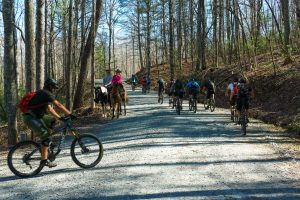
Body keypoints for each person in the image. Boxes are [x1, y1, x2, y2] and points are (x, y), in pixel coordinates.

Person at [22, 78, 76, 168]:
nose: (54, 89)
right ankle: (44, 161)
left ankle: (48, 141)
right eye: (54, 87)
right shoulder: (46, 93)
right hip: (31, 118)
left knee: (52, 121)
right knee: (46, 138)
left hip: (36, 116)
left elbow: (49, 109)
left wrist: (60, 118)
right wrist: (70, 114)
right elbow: (58, 105)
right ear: (50, 86)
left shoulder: (43, 94)